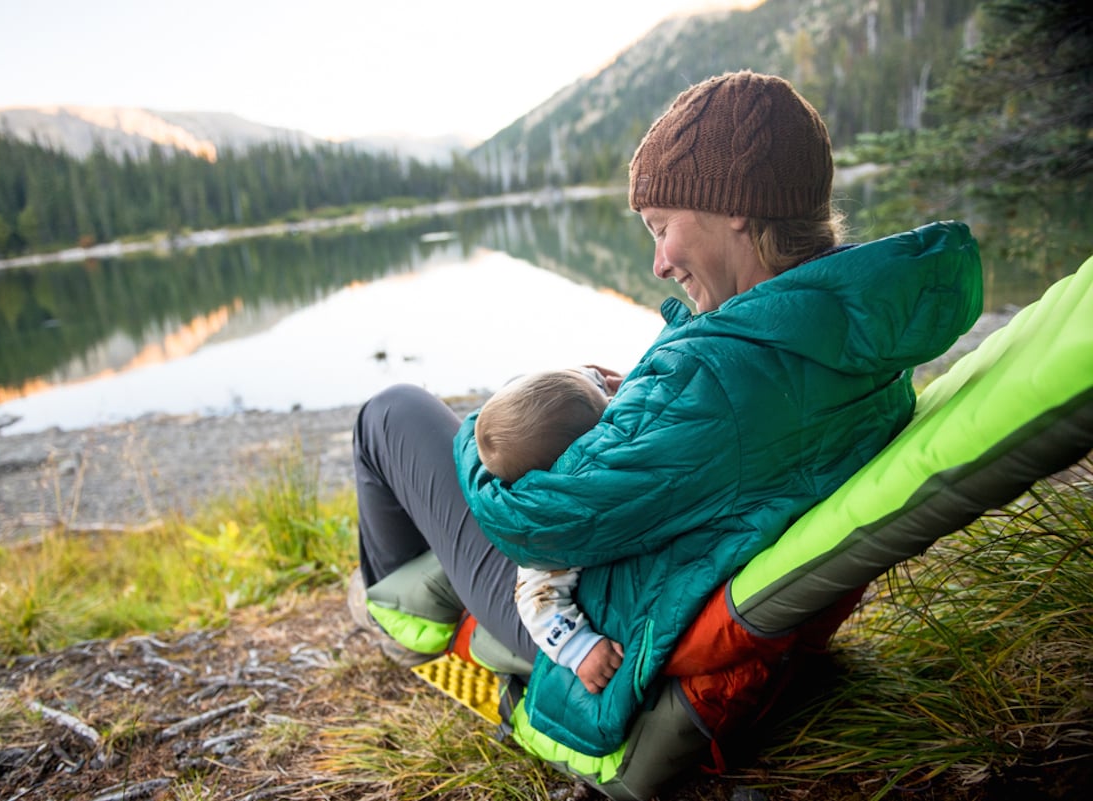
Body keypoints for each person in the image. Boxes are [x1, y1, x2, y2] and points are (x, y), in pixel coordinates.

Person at [350, 69, 982, 782]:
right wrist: (631, 406)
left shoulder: (724, 375)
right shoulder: (857, 336)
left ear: (736, 207)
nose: (657, 262)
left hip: (599, 623)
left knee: (394, 414)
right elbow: (717, 452)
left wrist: (481, 436)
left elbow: (531, 523)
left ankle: (403, 617)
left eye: (662, 227)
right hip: (668, 570)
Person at [475, 368, 624, 694]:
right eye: (606, 405)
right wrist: (577, 647)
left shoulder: (559, 448)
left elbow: (567, 399)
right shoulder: (551, 531)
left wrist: (597, 380)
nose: (614, 402)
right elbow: (535, 599)